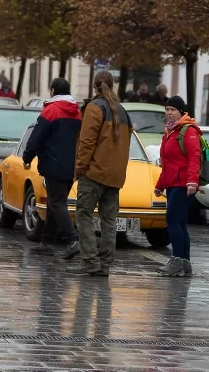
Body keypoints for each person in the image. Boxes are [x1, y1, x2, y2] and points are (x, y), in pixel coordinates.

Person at [68, 70, 132, 276]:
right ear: (112, 86)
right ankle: (105, 265)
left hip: (94, 173)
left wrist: (80, 167)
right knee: (109, 221)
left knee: (84, 214)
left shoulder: (94, 108)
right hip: (115, 175)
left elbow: (87, 142)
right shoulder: (122, 111)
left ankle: (90, 262)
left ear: (94, 86)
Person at [22, 77, 82, 259]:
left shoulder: (50, 111)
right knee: (54, 203)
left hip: (52, 163)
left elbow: (37, 136)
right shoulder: (77, 112)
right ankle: (46, 242)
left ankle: (72, 239)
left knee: (57, 203)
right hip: (69, 164)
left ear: (53, 91)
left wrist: (27, 157)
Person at [154, 95, 199, 277]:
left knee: (173, 220)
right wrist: (160, 185)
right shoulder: (170, 131)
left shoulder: (188, 130)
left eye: (173, 110)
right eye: (167, 109)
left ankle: (177, 260)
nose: (169, 113)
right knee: (179, 222)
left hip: (183, 184)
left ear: (181, 112)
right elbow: (167, 162)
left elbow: (194, 157)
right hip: (173, 182)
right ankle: (184, 263)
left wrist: (192, 182)